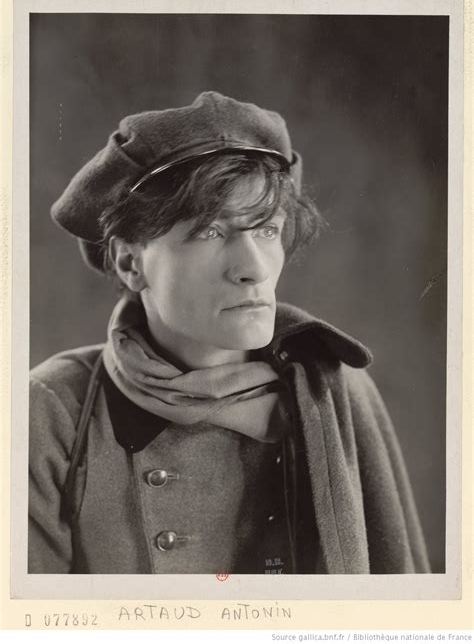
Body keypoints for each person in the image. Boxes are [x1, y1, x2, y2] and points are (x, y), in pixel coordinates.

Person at [29, 91, 430, 574]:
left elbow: (397, 594)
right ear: (130, 262)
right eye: (210, 232)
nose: (254, 269)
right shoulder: (54, 411)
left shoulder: (336, 391)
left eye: (266, 230)